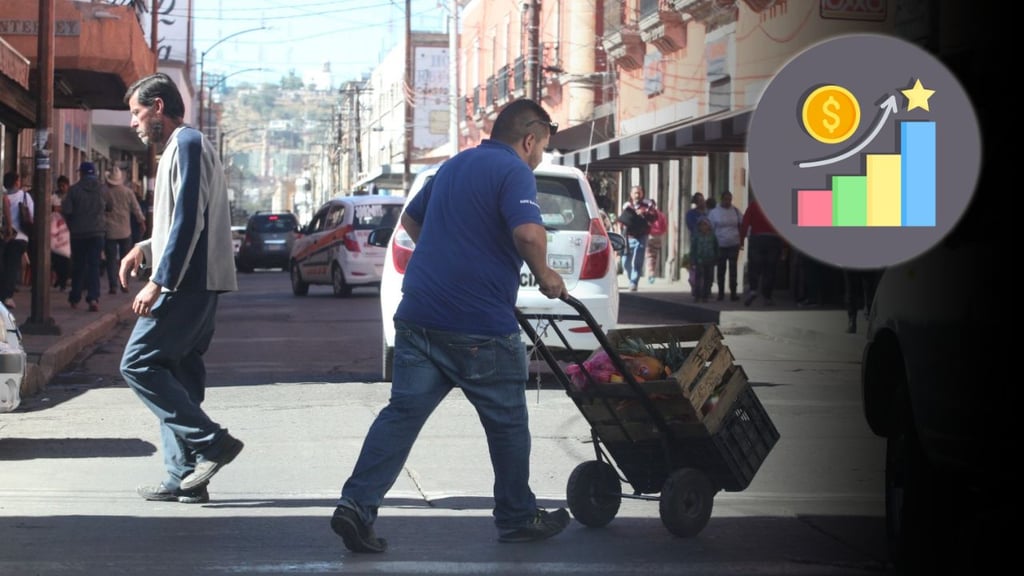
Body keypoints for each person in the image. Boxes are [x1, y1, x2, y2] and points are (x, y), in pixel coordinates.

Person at [331, 98, 570, 553]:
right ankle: (517, 516)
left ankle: (356, 505)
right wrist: (545, 275)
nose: (537, 158)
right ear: (529, 138)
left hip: (420, 316)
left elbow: (412, 220)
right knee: (508, 422)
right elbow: (527, 233)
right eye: (539, 149)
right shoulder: (514, 170)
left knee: (401, 415)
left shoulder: (454, 166)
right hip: (478, 324)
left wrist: (454, 257)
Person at [119, 72, 242, 503]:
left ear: (157, 108)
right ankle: (185, 476)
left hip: (188, 282)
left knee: (138, 364)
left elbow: (190, 221)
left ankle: (213, 444)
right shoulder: (179, 147)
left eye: (136, 113)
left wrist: (159, 281)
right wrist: (145, 247)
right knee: (178, 375)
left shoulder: (187, 144)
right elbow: (179, 224)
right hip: (196, 279)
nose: (133, 123)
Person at [61, 162, 108, 312]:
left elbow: (66, 210)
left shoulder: (74, 190)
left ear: (81, 173)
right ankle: (93, 298)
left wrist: (72, 225)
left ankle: (75, 297)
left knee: (78, 266)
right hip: (97, 232)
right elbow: (110, 206)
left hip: (78, 234)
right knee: (94, 265)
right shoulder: (103, 189)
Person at [102, 165, 146, 295]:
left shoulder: (105, 193)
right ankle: (124, 283)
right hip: (125, 230)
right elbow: (136, 208)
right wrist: (141, 221)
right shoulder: (128, 192)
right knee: (126, 259)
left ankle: (113, 285)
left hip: (109, 229)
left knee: (110, 259)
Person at [740, 191, 782, 306]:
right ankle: (767, 296)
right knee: (770, 269)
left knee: (754, 266)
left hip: (757, 239)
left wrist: (741, 240)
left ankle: (753, 289)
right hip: (774, 239)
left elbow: (745, 222)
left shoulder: (754, 205)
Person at [1, 172, 33, 309]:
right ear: (16, 182)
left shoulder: (3, 197)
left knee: (4, 266)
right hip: (20, 236)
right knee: (12, 267)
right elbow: (32, 215)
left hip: (4, 236)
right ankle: (7, 296)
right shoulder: (25, 196)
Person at [617, 185, 656, 292]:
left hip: (641, 236)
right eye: (635, 193)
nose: (637, 195)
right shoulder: (627, 206)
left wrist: (644, 213)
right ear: (631, 194)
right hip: (628, 236)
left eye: (639, 193)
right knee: (625, 261)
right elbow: (621, 220)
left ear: (642, 194)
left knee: (638, 260)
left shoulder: (647, 205)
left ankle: (634, 281)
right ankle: (631, 278)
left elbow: (654, 217)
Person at [708, 190, 743, 301]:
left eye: (730, 199)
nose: (728, 202)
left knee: (733, 269)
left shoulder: (736, 211)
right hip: (720, 244)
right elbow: (710, 228)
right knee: (721, 269)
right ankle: (721, 292)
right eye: (726, 199)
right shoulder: (714, 213)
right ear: (721, 199)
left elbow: (742, 224)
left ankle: (733, 292)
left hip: (734, 243)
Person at [689, 216, 718, 302]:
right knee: (698, 278)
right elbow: (693, 249)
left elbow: (716, 247)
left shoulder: (712, 236)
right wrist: (692, 260)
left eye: (705, 225)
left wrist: (716, 258)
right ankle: (697, 295)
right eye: (701, 225)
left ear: (709, 226)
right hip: (699, 260)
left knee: (708, 279)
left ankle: (705, 295)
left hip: (709, 260)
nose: (703, 227)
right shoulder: (697, 237)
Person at [51, 175, 72, 291]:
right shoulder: (54, 196)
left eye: (63, 185)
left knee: (66, 258)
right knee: (56, 257)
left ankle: (63, 280)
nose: (61, 188)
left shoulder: (70, 197)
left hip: (68, 230)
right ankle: (60, 278)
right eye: (60, 186)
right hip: (56, 231)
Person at [684, 192, 707, 298]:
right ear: (696, 202)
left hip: (709, 242)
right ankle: (695, 287)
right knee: (697, 266)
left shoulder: (709, 213)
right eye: (700, 200)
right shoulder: (691, 214)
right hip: (697, 242)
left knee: (707, 267)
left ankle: (705, 289)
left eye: (703, 200)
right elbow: (691, 226)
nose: (702, 202)